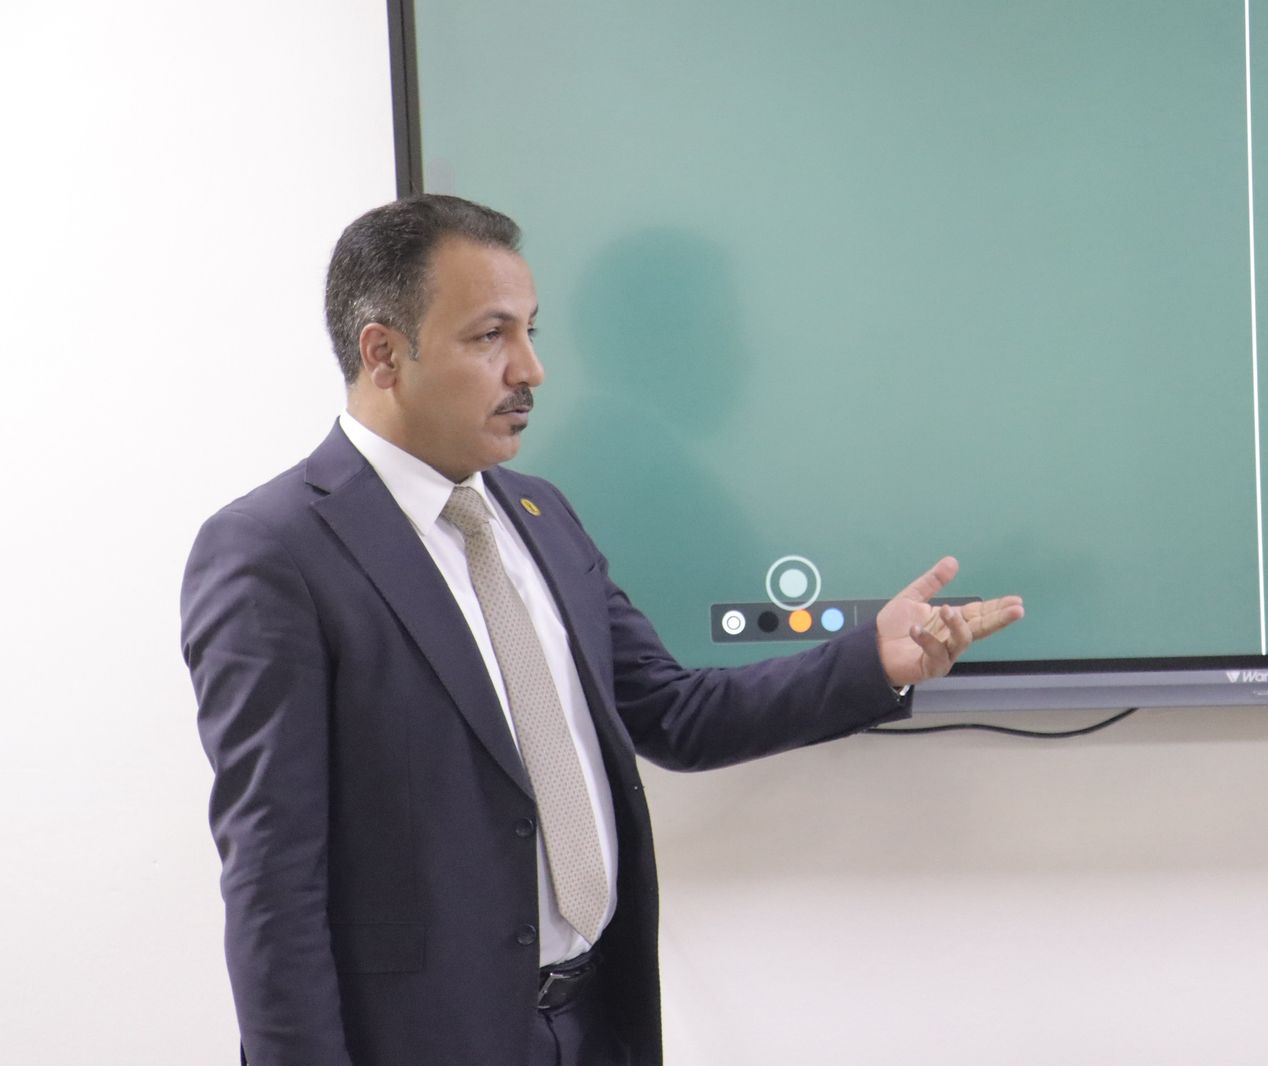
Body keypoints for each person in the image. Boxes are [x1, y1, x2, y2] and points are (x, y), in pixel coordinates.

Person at [180, 194, 1024, 1066]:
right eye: (490, 336)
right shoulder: (273, 552)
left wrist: (873, 661)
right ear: (384, 353)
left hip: (593, 1024)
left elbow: (674, 713)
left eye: (531, 331)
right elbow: (272, 880)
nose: (531, 369)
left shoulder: (539, 515)